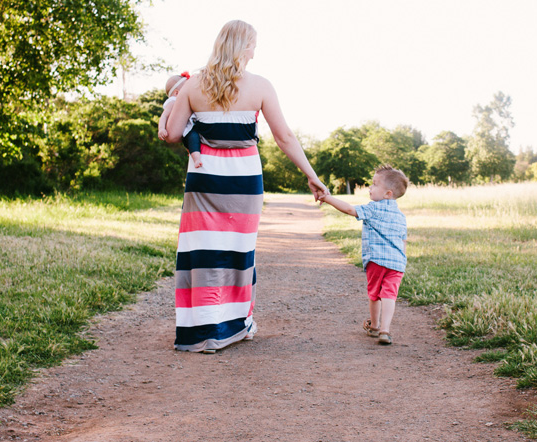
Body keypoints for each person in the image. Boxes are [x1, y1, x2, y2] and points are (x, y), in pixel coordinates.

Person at [164, 20, 329, 353]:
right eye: (253, 44)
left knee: (204, 251)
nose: (255, 50)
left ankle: (202, 330)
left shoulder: (193, 86)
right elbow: (285, 137)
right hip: (244, 179)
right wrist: (311, 174)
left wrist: (171, 110)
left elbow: (170, 134)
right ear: (243, 47)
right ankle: (234, 325)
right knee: (237, 252)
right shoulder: (261, 86)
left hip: (205, 178)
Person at [318, 165, 409, 345]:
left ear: (387, 194)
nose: (370, 187)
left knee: (375, 294)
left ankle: (374, 326)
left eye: (375, 184)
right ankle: (385, 330)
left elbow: (350, 210)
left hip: (376, 261)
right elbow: (403, 240)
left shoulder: (373, 208)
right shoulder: (401, 216)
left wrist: (328, 198)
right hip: (397, 263)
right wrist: (402, 260)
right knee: (390, 295)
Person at [158, 72, 203, 168]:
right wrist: (161, 129)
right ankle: (196, 159)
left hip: (190, 126)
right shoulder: (172, 102)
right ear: (177, 93)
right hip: (185, 130)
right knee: (193, 137)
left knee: (194, 139)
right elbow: (164, 116)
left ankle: (193, 152)